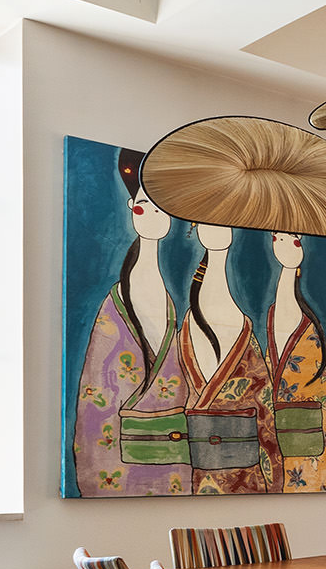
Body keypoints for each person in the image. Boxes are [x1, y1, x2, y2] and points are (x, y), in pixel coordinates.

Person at [69, 149, 192, 495]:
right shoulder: (114, 307)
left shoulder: (172, 305)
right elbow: (95, 395)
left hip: (173, 463)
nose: (153, 215)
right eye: (144, 205)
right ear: (131, 208)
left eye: (161, 208)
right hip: (120, 459)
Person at [180, 224, 277, 493]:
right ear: (195, 229)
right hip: (192, 475)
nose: (218, 229)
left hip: (247, 480)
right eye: (208, 222)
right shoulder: (184, 328)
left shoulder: (243, 326)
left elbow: (264, 409)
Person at [266, 232, 326, 491]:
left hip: (310, 440)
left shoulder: (309, 325)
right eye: (278, 238)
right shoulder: (272, 313)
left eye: (294, 239)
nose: (285, 245)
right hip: (279, 437)